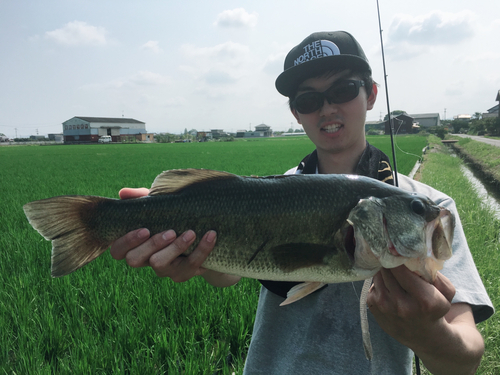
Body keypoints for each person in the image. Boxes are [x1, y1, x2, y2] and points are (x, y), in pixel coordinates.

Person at [109, 31, 493, 374]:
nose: (327, 108)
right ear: (295, 112)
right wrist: (190, 258)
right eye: (309, 100)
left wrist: (429, 335)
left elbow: (466, 359)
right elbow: (230, 270)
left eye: (343, 90)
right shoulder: (274, 192)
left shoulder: (430, 206)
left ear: (371, 94)